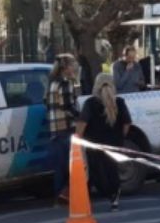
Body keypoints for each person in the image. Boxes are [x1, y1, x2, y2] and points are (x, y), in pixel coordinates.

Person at [76, 73, 131, 211]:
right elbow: (127, 123)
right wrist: (120, 137)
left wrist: (78, 138)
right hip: (115, 142)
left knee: (97, 172)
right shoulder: (119, 102)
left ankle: (106, 194)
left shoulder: (90, 103)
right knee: (112, 169)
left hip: (94, 144)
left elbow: (82, 123)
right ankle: (115, 197)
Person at [44, 54, 81, 204]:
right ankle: (68, 195)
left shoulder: (52, 83)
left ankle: (58, 196)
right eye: (73, 65)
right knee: (71, 165)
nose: (75, 68)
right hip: (66, 127)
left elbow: (46, 102)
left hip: (55, 128)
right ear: (66, 68)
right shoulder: (66, 84)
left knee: (59, 166)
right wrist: (80, 117)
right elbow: (68, 106)